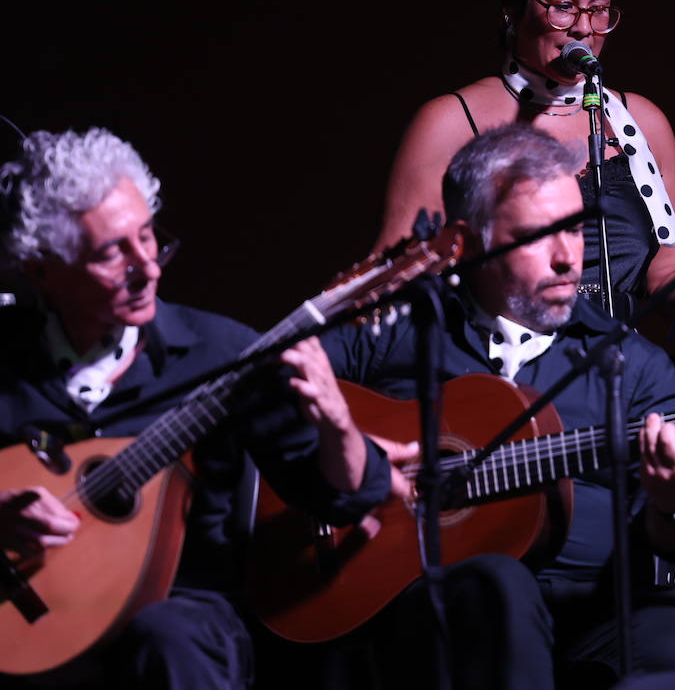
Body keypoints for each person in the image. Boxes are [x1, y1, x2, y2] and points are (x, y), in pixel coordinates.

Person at [325, 123, 675, 688]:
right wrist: (345, 453)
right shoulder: (395, 329)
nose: (568, 259)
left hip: (599, 608)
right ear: (467, 243)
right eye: (539, 236)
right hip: (428, 604)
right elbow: (273, 388)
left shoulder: (631, 363)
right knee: (500, 587)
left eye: (576, 230)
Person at [0, 128, 392, 688]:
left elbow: (342, 496)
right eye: (112, 252)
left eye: (148, 237)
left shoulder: (222, 353)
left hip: (178, 613)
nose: (148, 267)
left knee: (166, 637)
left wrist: (337, 423)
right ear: (43, 268)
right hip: (31, 617)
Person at [374, 0, 675, 317]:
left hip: (614, 351)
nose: (583, 28)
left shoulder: (642, 121)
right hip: (494, 352)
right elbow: (397, 276)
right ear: (513, 7)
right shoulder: (449, 121)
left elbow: (671, 270)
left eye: (599, 10)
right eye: (564, 6)